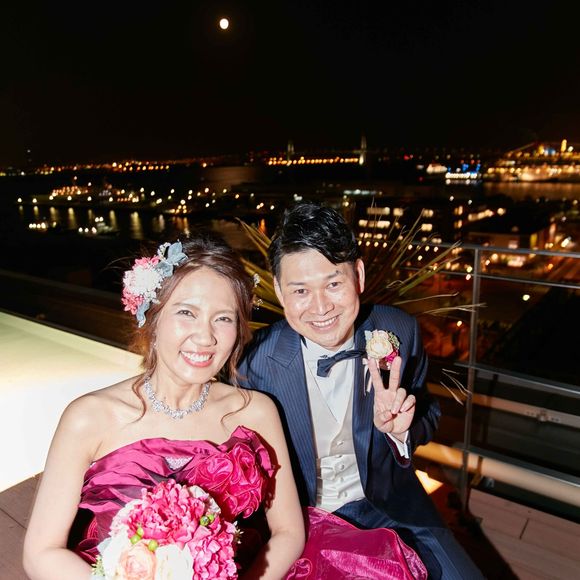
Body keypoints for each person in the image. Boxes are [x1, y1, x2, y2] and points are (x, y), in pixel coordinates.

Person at [23, 233, 306, 579]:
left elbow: (289, 532)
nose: (206, 337)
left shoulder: (257, 412)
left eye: (223, 318)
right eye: (187, 313)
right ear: (153, 319)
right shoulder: (89, 418)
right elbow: (40, 553)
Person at [239, 203, 484, 579]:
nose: (321, 307)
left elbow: (428, 411)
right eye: (301, 290)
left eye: (333, 284)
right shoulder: (255, 363)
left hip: (392, 509)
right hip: (301, 523)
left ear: (359, 275)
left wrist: (402, 431)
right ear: (279, 291)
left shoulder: (399, 330)